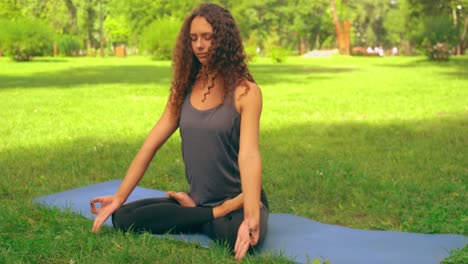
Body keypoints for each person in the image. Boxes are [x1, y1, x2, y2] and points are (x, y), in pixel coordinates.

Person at [89, 3, 269, 261]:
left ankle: (203, 214)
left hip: (243, 199)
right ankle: (208, 213)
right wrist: (119, 197)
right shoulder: (184, 88)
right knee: (124, 217)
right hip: (202, 201)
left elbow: (249, 155)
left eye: (208, 37)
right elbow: (150, 144)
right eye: (194, 38)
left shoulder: (246, 92)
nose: (199, 45)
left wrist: (251, 213)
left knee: (237, 239)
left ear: (224, 40)